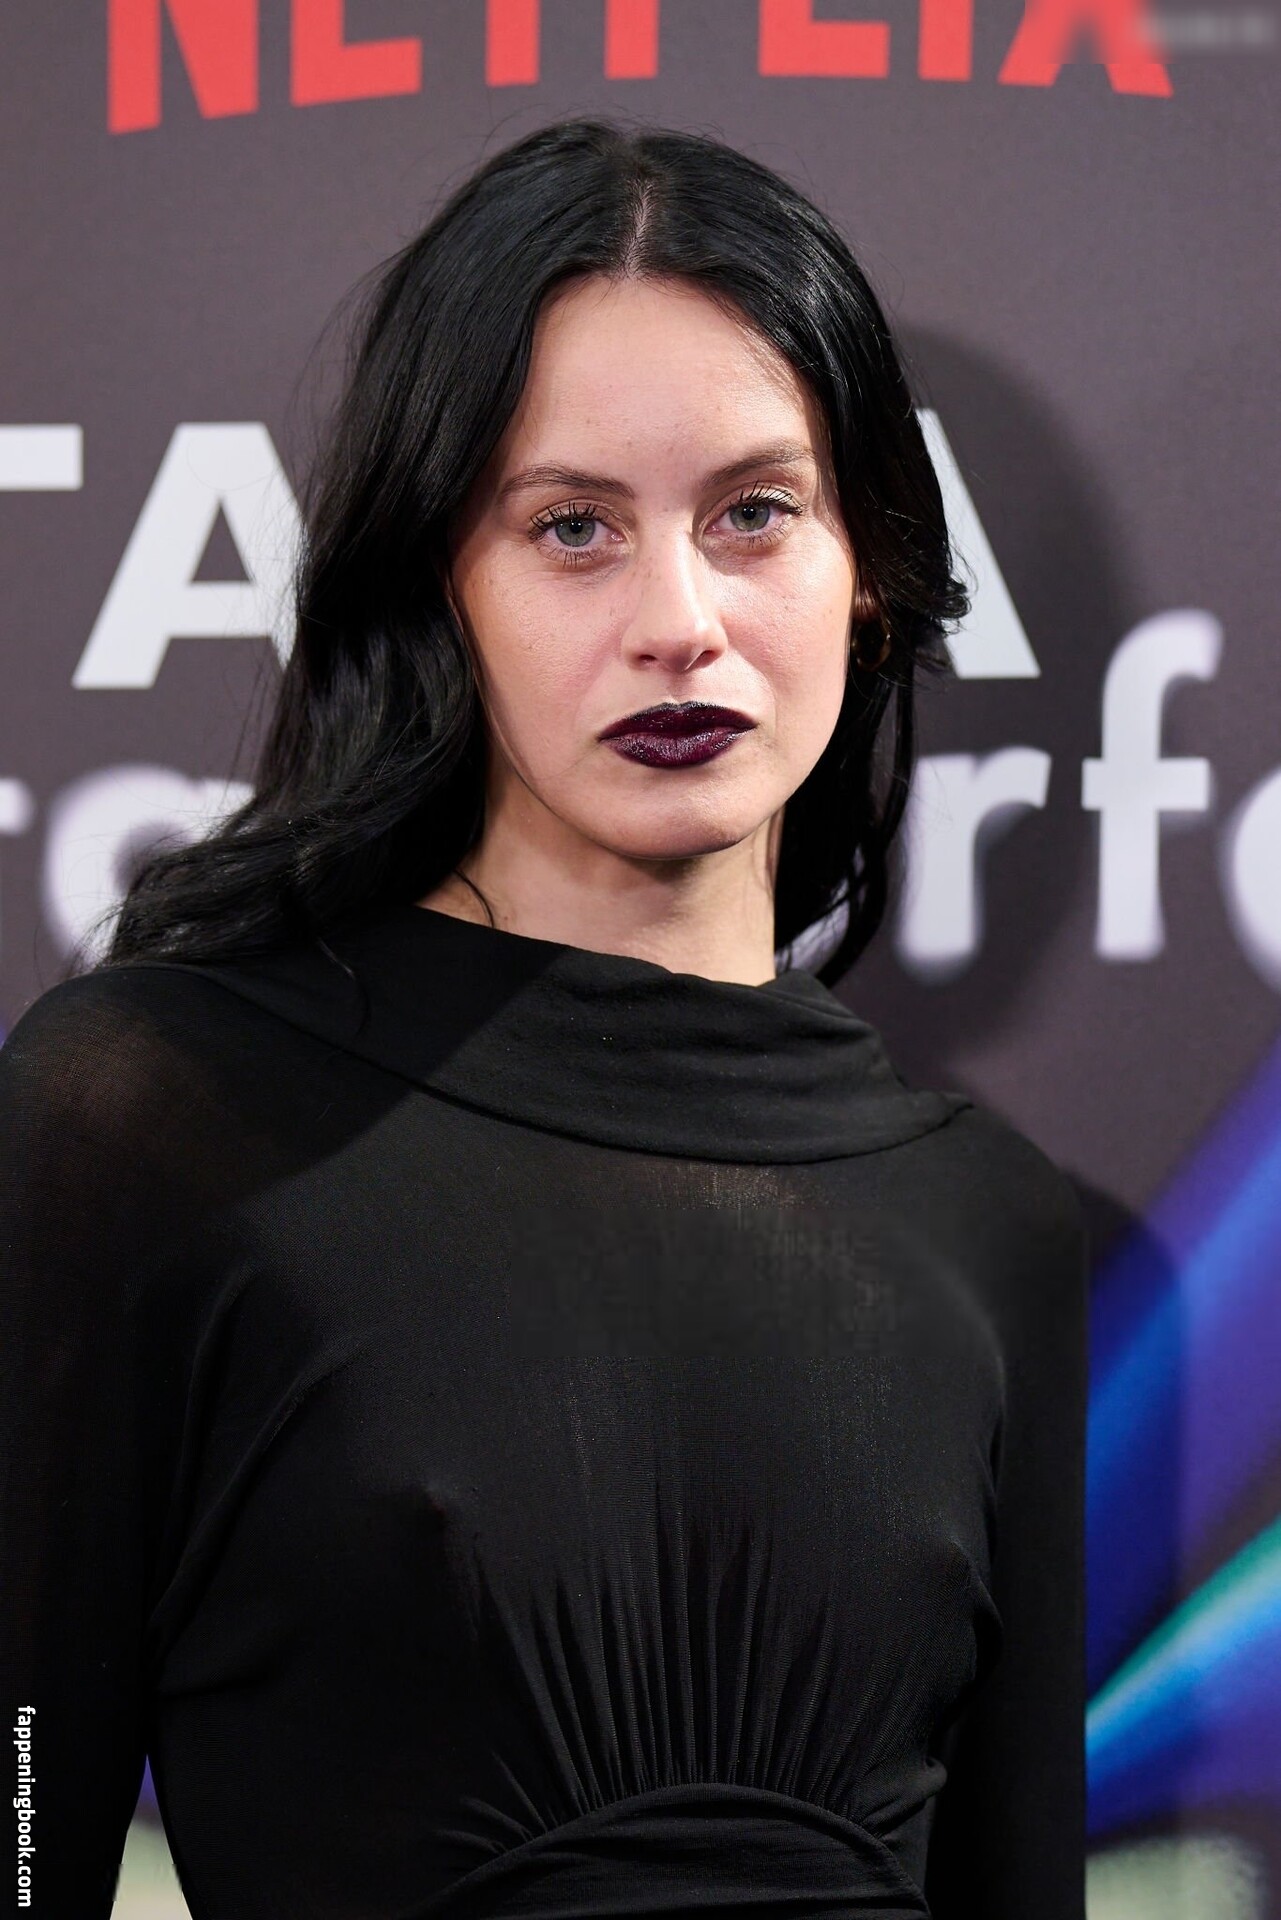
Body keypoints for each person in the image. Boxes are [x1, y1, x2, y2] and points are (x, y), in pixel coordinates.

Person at [0, 119, 1088, 1918]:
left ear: (873, 569)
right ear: (440, 583)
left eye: (754, 514)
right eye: (572, 528)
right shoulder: (146, 1117)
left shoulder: (990, 1221)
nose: (678, 622)